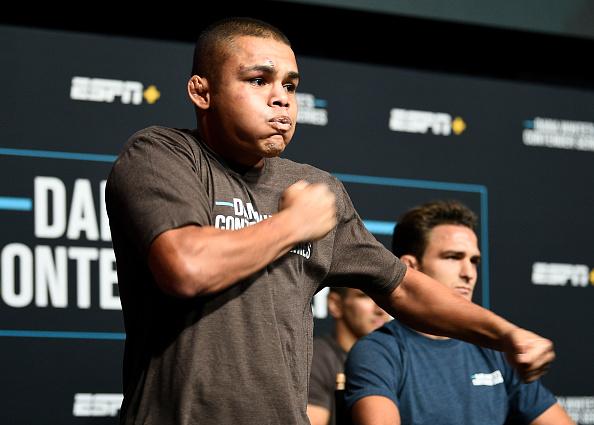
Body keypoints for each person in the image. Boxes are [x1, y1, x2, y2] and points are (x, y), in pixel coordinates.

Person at [106, 17, 555, 425]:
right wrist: (293, 225)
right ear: (202, 91)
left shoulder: (315, 187)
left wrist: (503, 332)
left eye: (290, 84)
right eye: (258, 80)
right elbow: (185, 267)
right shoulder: (161, 154)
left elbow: (402, 286)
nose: (281, 97)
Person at [344, 201, 575, 425]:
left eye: (474, 261)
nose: (469, 273)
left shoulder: (496, 350)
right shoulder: (379, 351)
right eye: (453, 257)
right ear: (411, 267)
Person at [308, 288, 391, 425]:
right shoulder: (316, 359)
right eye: (366, 296)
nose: (381, 309)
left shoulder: (398, 356)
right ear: (335, 304)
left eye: (385, 297)